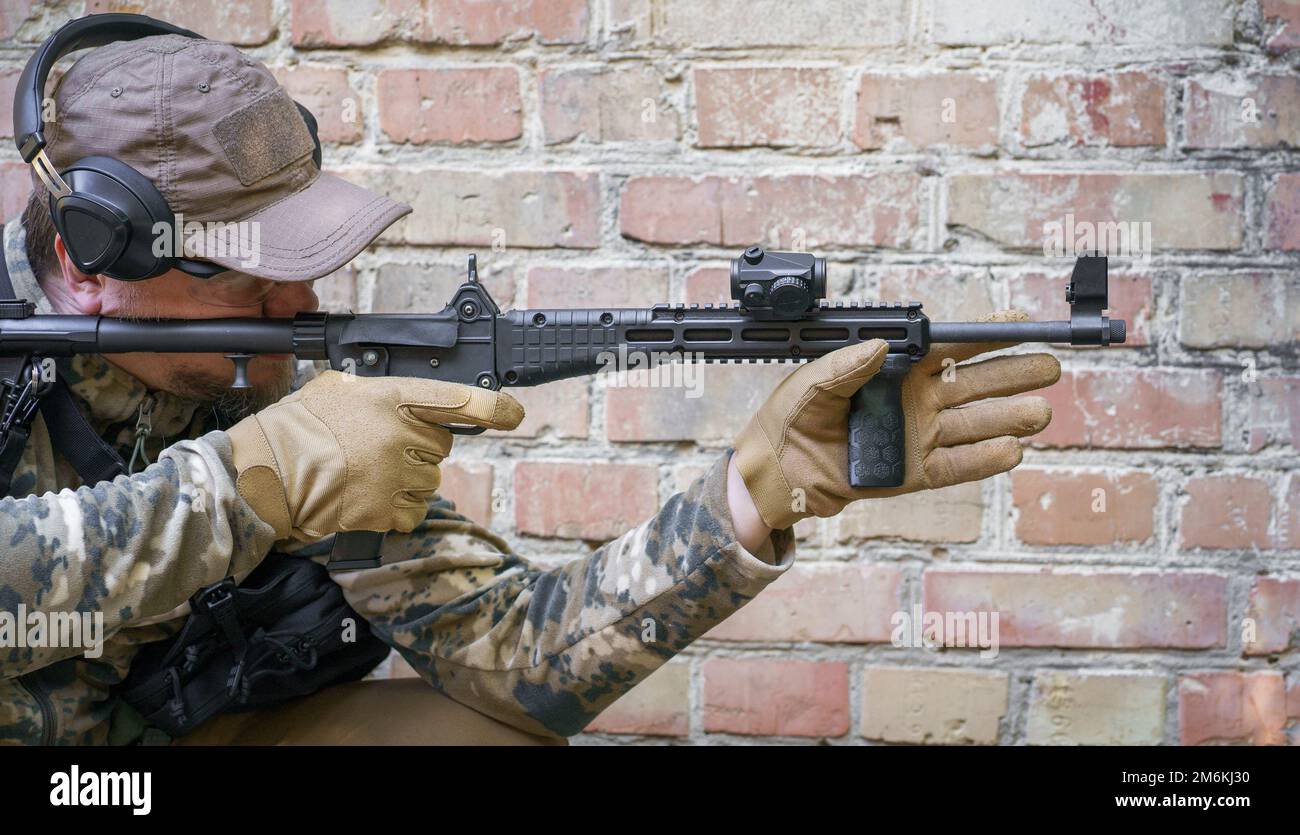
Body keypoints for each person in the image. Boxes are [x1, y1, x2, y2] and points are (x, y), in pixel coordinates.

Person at [0, 20, 1061, 745]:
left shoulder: (270, 390)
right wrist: (248, 488)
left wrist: (758, 491)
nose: (299, 299)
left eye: (310, 257)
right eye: (257, 272)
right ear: (99, 256)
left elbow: (515, 655)